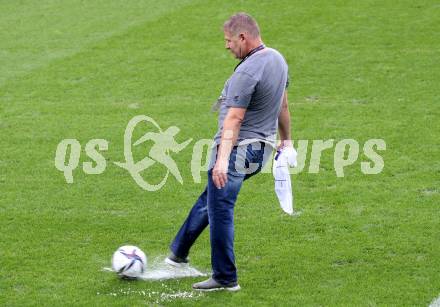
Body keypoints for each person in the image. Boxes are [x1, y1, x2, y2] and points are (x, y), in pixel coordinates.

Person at [165, 12, 292, 291]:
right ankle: (178, 252)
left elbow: (233, 119)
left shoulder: (246, 72)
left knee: (221, 209)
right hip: (261, 152)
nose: (226, 46)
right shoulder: (278, 60)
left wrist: (221, 161)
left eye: (229, 40)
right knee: (211, 198)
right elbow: (282, 105)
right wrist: (287, 140)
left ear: (243, 37)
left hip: (238, 153)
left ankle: (225, 277)